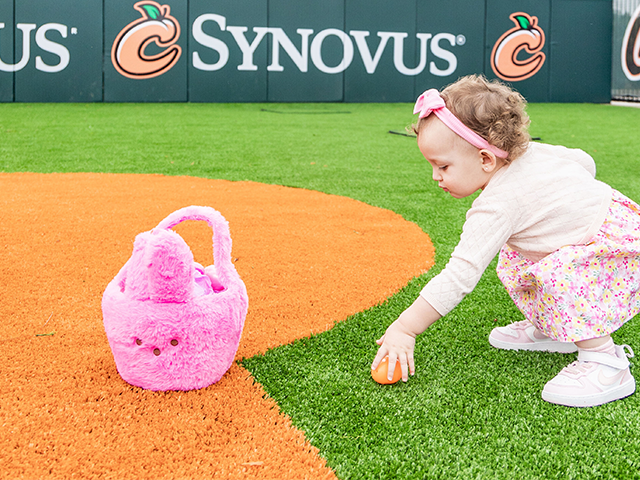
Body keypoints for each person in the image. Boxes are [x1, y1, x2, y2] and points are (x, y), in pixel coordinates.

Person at [371, 75, 639, 407]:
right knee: (520, 256)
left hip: (611, 250)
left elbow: (459, 276)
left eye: (443, 166)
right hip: (620, 223)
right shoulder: (529, 152)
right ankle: (556, 329)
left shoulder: (497, 205)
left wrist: (405, 328)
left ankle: (606, 362)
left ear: (486, 159)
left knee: (562, 272)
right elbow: (585, 161)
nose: (435, 176)